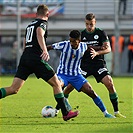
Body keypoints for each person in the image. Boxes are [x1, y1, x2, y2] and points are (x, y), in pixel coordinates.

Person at [0, 4, 79, 121]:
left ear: (36, 14)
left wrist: (27, 52)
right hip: (36, 59)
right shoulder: (42, 24)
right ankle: (66, 113)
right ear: (47, 14)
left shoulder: (29, 25)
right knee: (56, 84)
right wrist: (44, 50)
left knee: (14, 89)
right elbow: (39, 33)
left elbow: (25, 41)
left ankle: (65, 111)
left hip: (25, 57)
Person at [62, 13, 126, 118]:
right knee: (70, 86)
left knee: (110, 83)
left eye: (91, 24)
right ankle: (57, 109)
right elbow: (75, 48)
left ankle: (116, 112)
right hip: (85, 65)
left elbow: (108, 49)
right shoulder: (81, 34)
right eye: (87, 24)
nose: (89, 27)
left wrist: (97, 53)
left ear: (95, 23)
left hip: (98, 64)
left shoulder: (101, 33)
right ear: (85, 23)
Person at [47, 30, 115, 118]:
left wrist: (101, 47)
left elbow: (91, 47)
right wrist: (42, 51)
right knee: (59, 85)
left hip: (76, 75)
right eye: (70, 41)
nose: (71, 43)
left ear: (79, 41)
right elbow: (50, 47)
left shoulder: (83, 46)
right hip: (63, 74)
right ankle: (65, 105)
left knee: (91, 92)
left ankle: (106, 113)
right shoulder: (64, 45)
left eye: (74, 42)